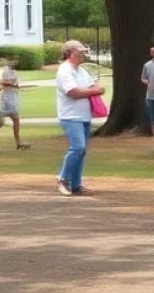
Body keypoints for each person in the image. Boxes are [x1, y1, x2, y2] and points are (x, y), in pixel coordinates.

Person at [55, 40, 104, 196]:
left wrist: (95, 88)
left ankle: (76, 184)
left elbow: (91, 86)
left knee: (81, 151)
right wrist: (95, 90)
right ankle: (63, 178)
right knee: (78, 147)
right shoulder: (65, 71)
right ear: (71, 53)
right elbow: (73, 93)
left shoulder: (81, 71)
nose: (83, 54)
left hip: (84, 115)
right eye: (80, 51)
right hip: (70, 115)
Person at [0, 54, 30, 150]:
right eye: (13, 60)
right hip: (7, 98)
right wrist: (13, 85)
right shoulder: (6, 71)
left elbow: (14, 83)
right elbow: (3, 82)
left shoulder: (13, 71)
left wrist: (16, 85)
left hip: (13, 97)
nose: (15, 62)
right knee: (0, 120)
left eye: (16, 60)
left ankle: (18, 142)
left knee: (15, 119)